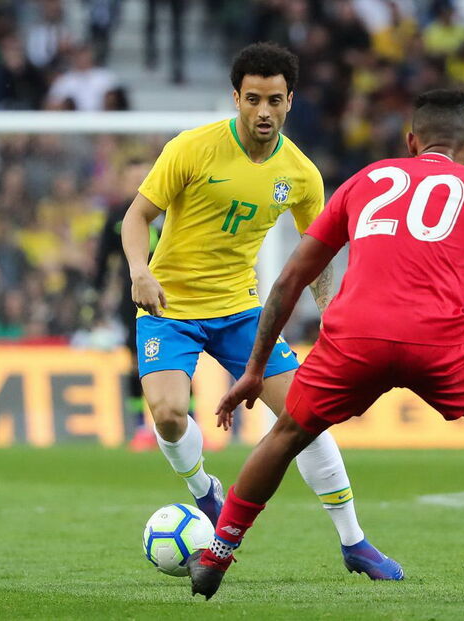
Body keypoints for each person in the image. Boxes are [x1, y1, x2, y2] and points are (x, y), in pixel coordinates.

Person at [188, 89, 464, 601]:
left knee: (287, 433)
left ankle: (217, 554)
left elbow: (290, 279)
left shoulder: (365, 181)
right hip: (439, 338)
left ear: (411, 141)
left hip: (354, 335)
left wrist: (253, 369)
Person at [121, 42, 395, 578]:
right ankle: (205, 492)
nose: (263, 111)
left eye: (274, 100)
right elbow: (137, 217)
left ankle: (354, 542)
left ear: (290, 100)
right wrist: (140, 270)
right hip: (170, 306)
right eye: (253, 99)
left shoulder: (302, 173)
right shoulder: (191, 149)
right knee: (170, 414)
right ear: (236, 98)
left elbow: (319, 248)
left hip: (243, 312)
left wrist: (328, 302)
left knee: (305, 419)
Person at [93, 159, 159, 451]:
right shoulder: (117, 215)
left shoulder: (167, 210)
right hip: (130, 298)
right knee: (135, 362)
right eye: (133, 177)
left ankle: (190, 422)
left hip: (170, 295)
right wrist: (93, 299)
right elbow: (101, 262)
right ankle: (140, 427)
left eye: (144, 176)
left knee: (180, 362)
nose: (138, 182)